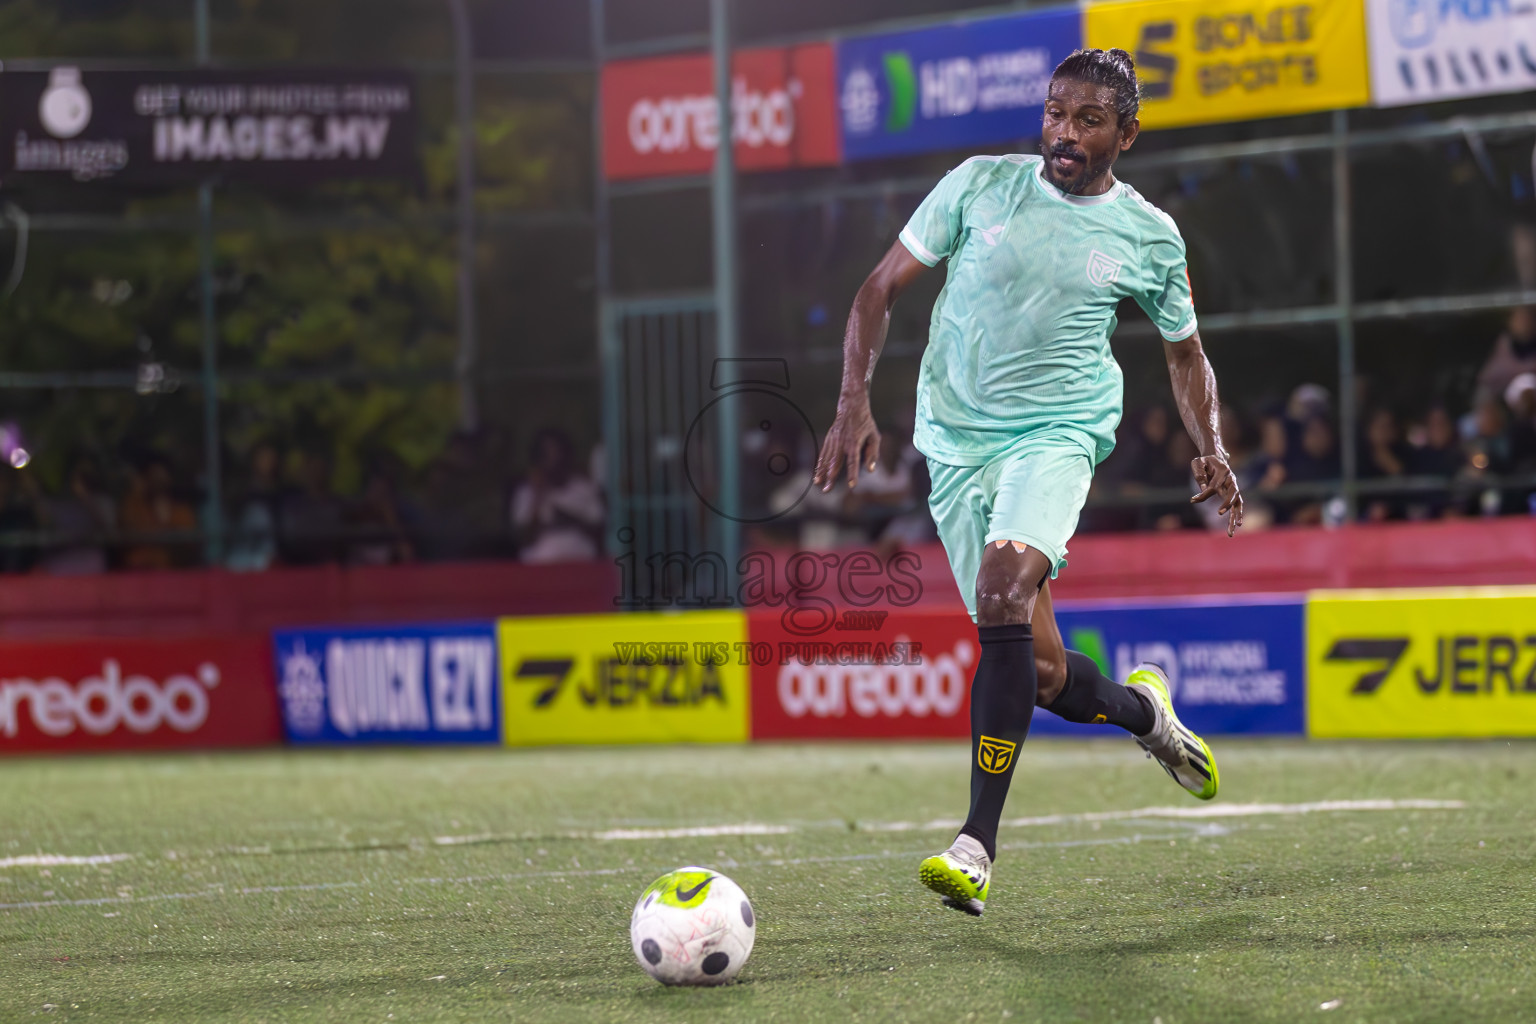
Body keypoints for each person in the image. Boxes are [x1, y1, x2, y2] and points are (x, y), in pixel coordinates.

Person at [814, 49, 1241, 917]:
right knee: (1043, 674)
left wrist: (1212, 443)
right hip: (955, 446)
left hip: (1056, 436)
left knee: (1003, 591)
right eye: (1055, 113)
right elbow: (876, 290)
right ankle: (1145, 715)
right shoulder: (978, 186)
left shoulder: (1149, 235)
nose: (1064, 134)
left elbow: (1184, 349)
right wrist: (852, 400)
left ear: (1127, 132)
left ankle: (975, 843)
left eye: (1088, 120)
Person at [511, 428, 604, 563]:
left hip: (581, 560)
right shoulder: (526, 492)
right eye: (547, 454)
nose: (553, 460)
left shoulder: (584, 487)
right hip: (540, 564)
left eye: (557, 452)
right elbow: (523, 539)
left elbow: (600, 532)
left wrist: (570, 519)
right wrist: (538, 496)